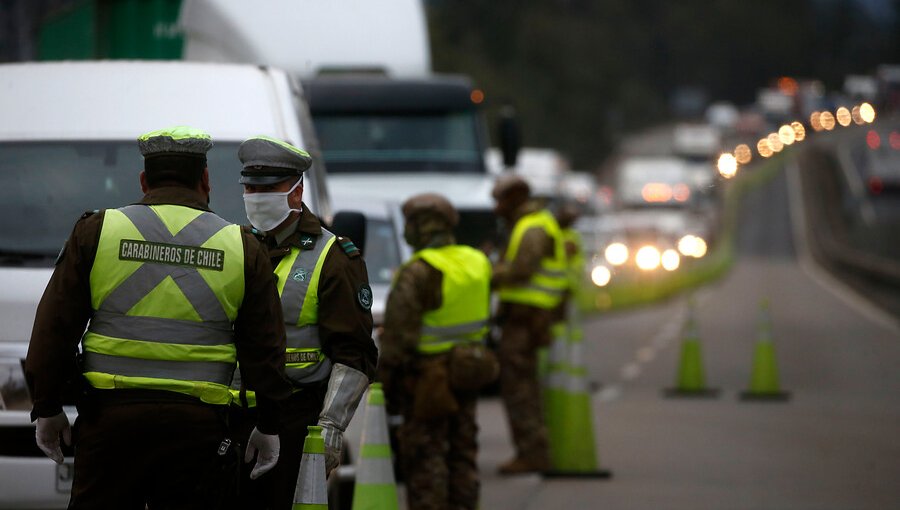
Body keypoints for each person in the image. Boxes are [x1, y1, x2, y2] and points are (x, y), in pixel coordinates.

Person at [24, 126, 292, 509]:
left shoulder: (98, 232)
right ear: (205, 180)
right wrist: (268, 423)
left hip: (111, 427)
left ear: (144, 180)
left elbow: (53, 329)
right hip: (200, 431)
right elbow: (265, 349)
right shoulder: (242, 246)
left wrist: (47, 407)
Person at [232, 135, 377, 510]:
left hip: (294, 418)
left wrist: (330, 427)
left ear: (296, 193)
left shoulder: (334, 258)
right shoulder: (235, 245)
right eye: (250, 187)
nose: (256, 196)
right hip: (229, 417)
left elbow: (354, 353)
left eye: (269, 188)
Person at [379, 193, 494, 510]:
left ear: (420, 227)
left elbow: (398, 340)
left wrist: (382, 385)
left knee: (425, 459)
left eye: (410, 224)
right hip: (467, 372)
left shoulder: (419, 271)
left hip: (427, 382)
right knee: (462, 455)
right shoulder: (476, 261)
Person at [491, 174, 567, 475]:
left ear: (515, 198)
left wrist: (486, 271)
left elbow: (521, 270)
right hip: (523, 317)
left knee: (520, 389)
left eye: (500, 200)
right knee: (520, 387)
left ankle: (532, 454)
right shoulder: (528, 224)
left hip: (527, 320)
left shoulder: (533, 226)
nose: (496, 208)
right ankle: (530, 451)